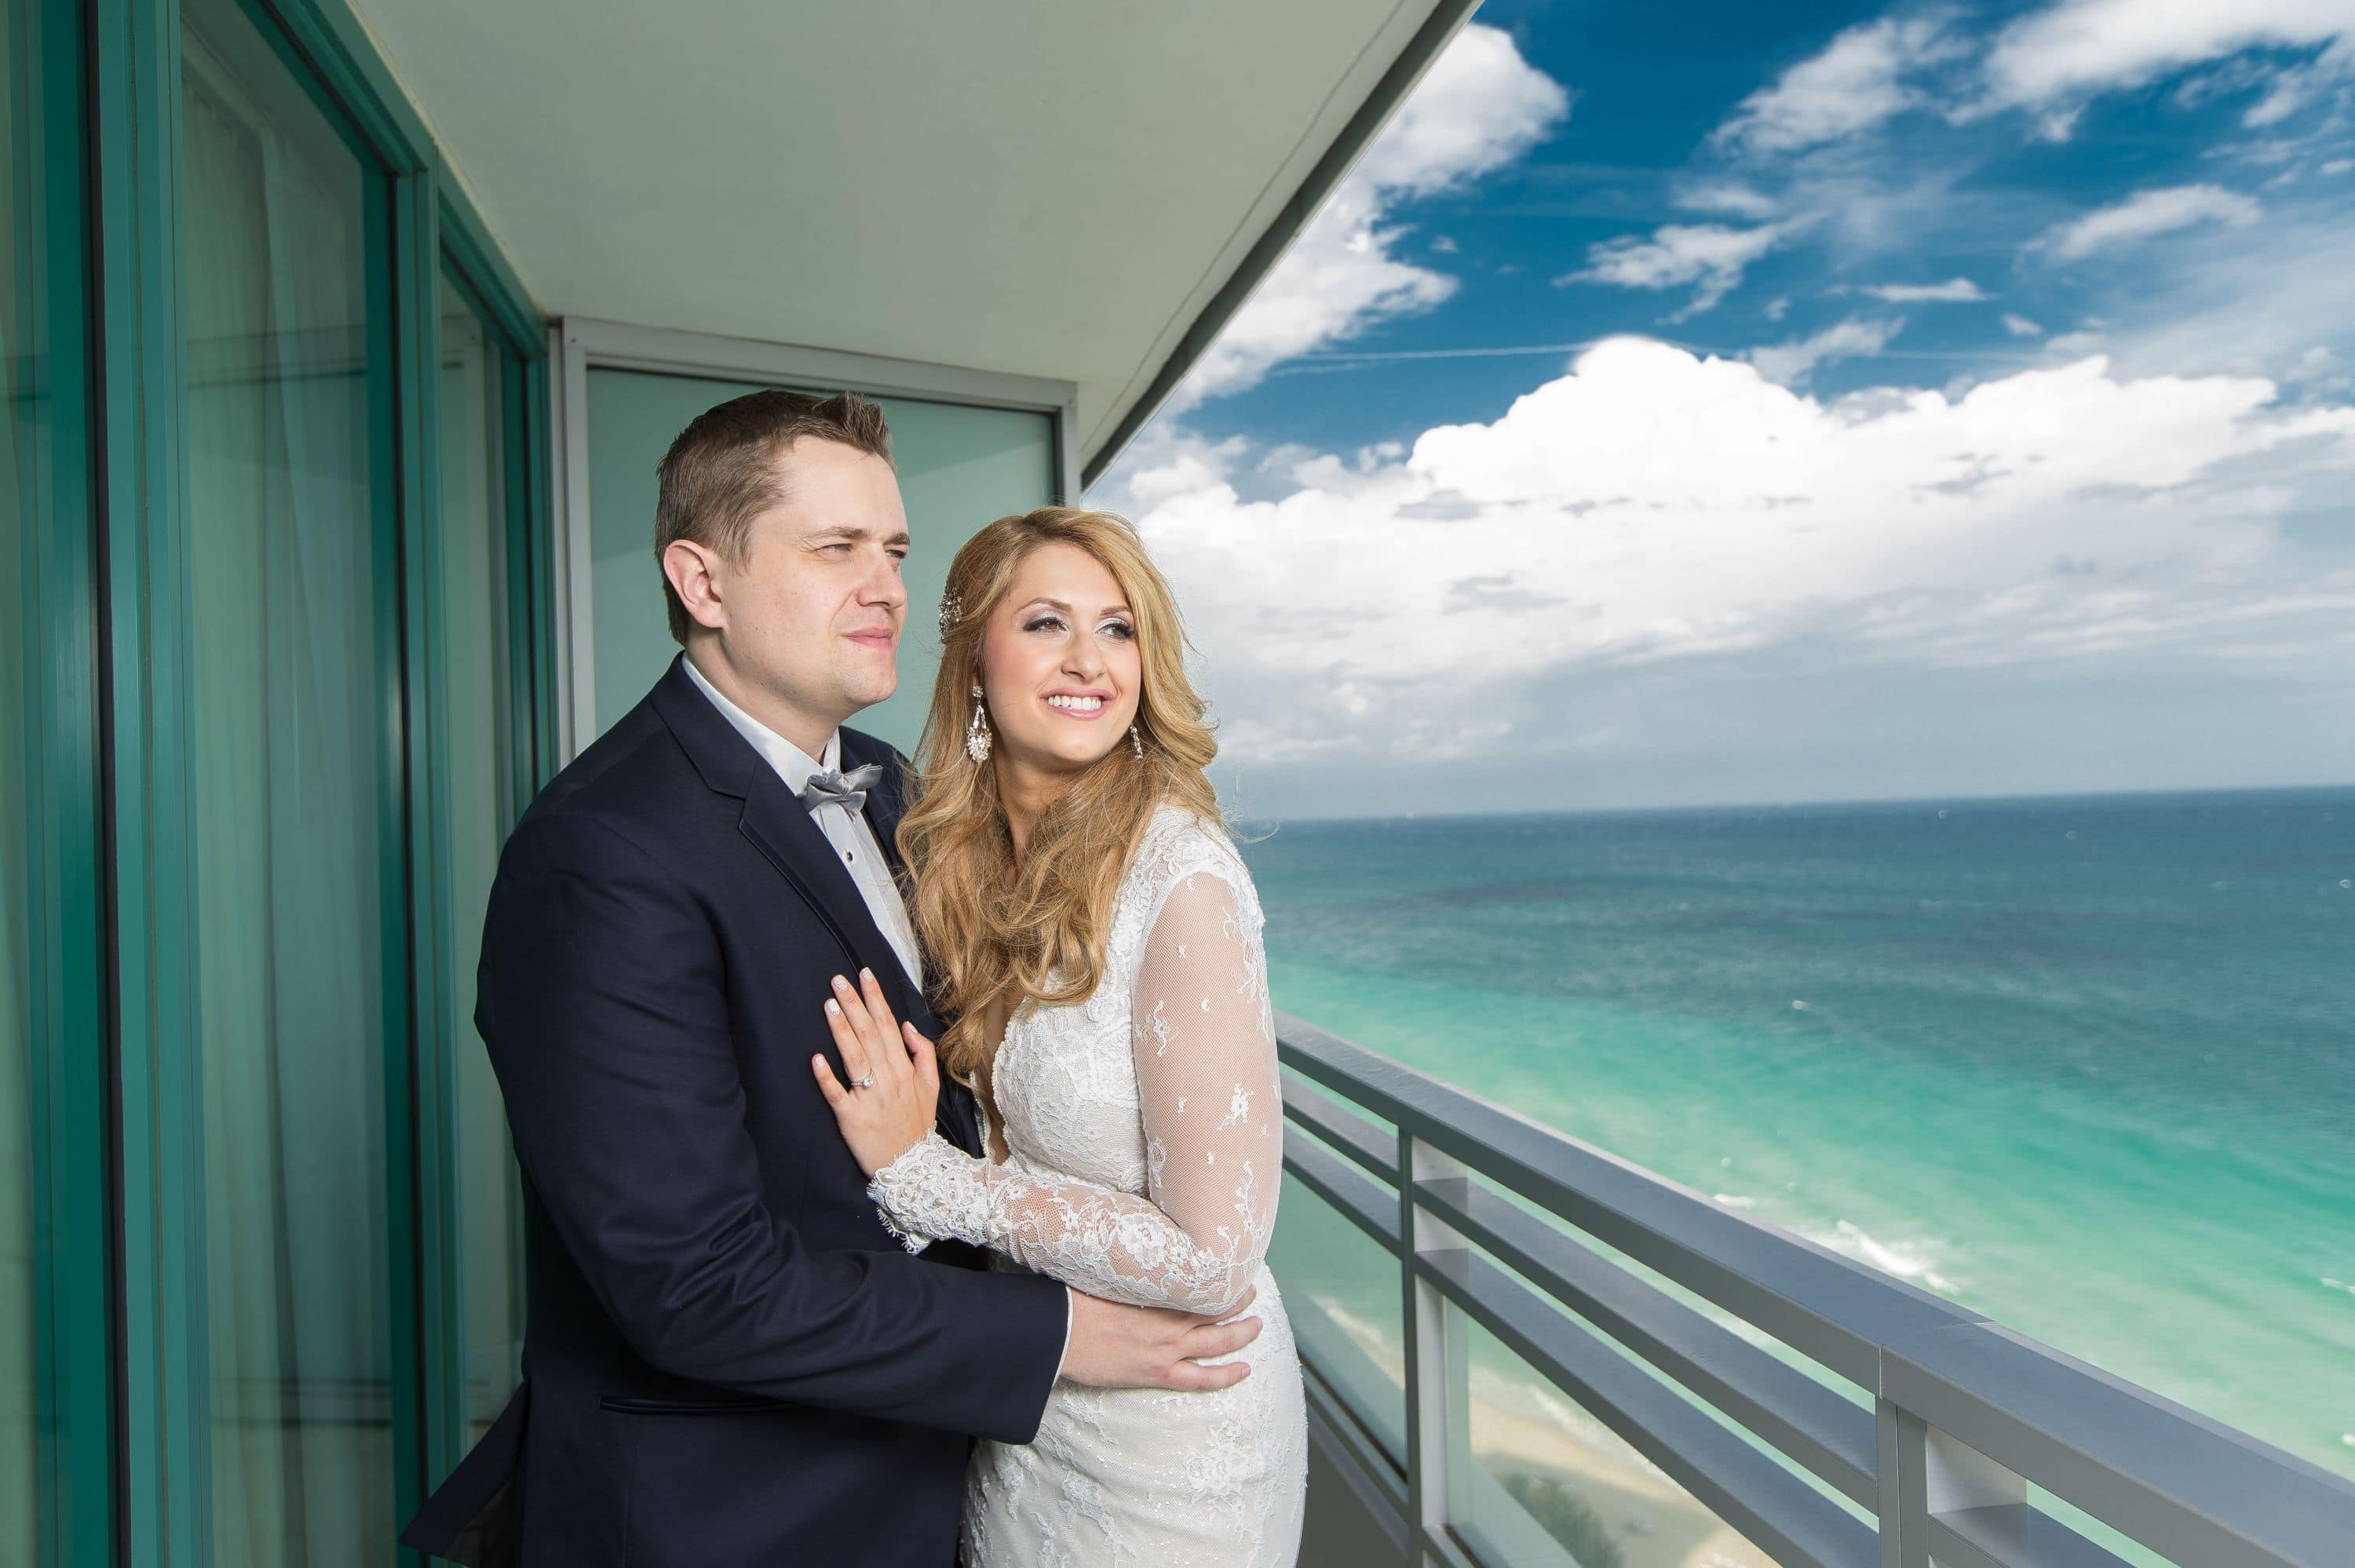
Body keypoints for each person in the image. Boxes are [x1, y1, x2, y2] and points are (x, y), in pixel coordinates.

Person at [401, 393, 1263, 1568]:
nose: (887, 588)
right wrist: (1055, 1335)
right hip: (738, 1514)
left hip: (946, 1474)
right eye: (835, 550)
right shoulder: (602, 855)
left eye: (896, 552)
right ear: (704, 586)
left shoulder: (891, 785)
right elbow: (697, 1286)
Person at [812, 507, 1306, 1566]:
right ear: (977, 658)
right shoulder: (949, 856)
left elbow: (1216, 1256)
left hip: (1174, 1441)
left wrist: (926, 1177)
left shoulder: (1184, 879)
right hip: (1026, 1410)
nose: (1090, 660)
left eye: (1119, 629)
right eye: (1046, 623)